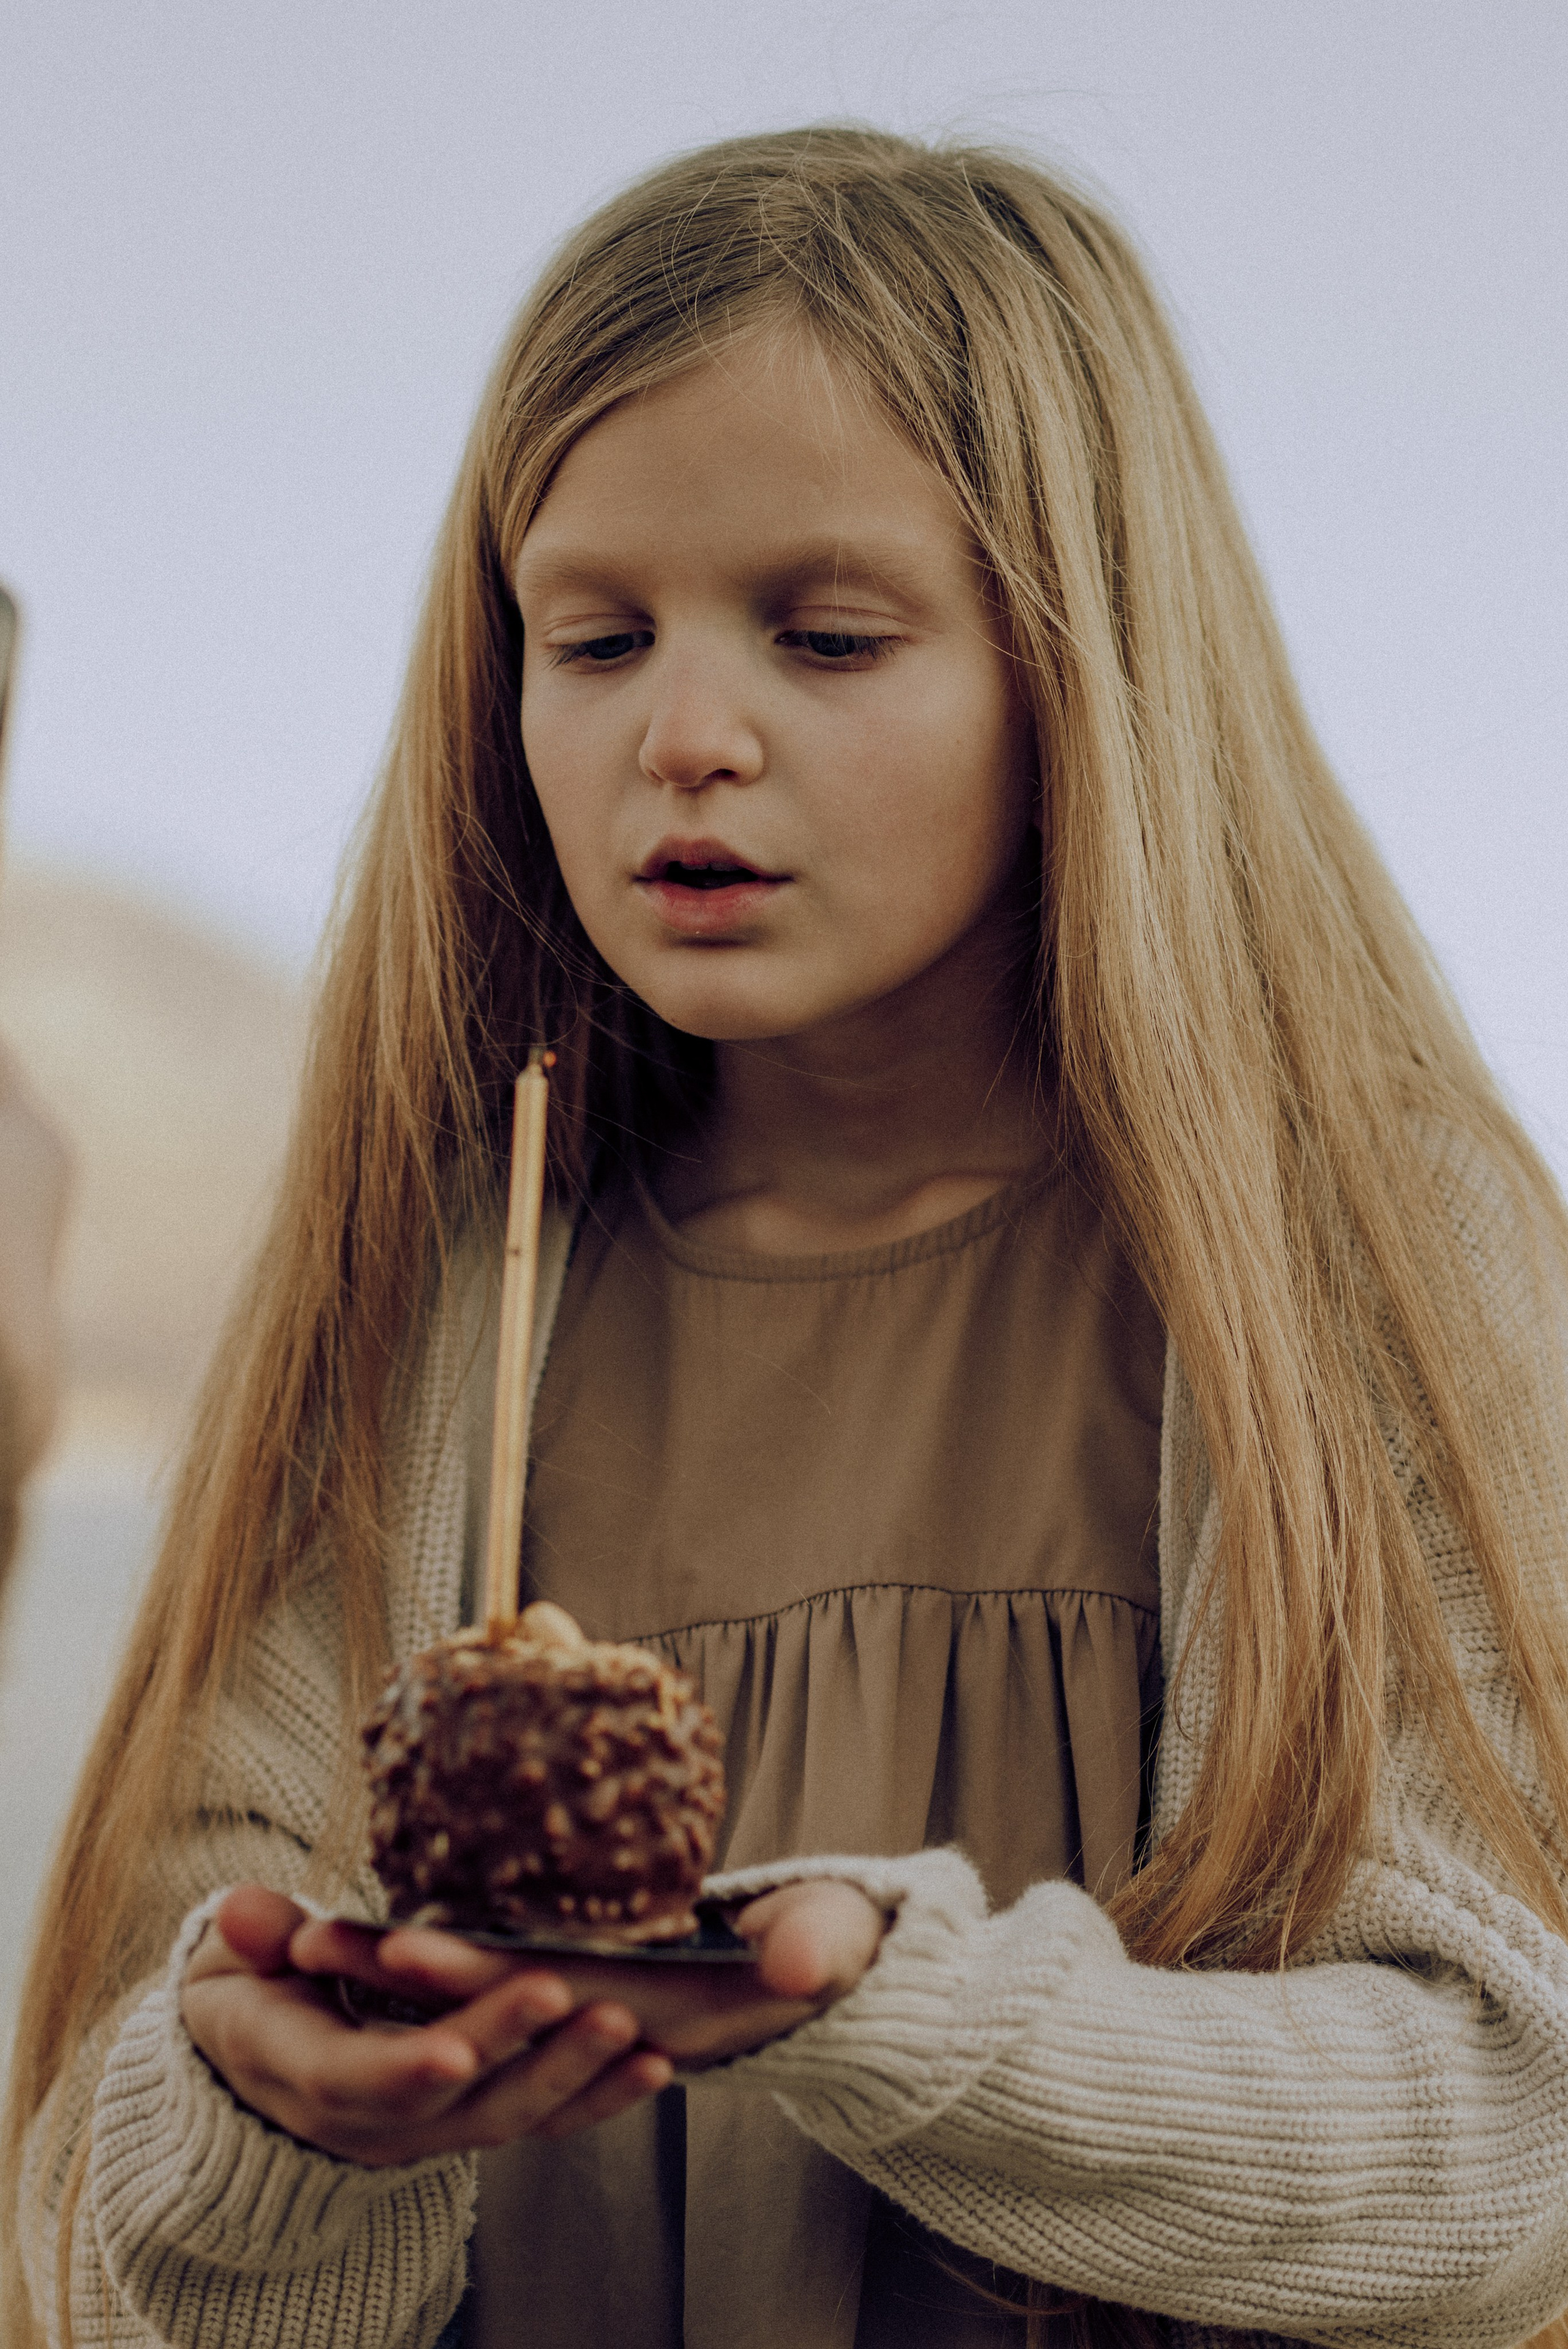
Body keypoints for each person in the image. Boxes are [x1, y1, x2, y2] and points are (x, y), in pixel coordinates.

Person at [5, 126, 1568, 2349]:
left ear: (1084, 675)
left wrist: (885, 2005)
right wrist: (267, 2115)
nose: (688, 737)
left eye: (828, 636)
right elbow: (112, 2219)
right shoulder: (437, 1302)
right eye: (596, 636)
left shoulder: (1368, 1266)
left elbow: (1510, 2137)